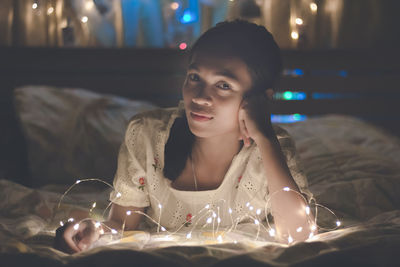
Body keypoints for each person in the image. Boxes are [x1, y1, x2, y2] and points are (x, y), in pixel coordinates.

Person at [54, 19, 315, 254]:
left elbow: (298, 235)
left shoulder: (272, 149)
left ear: (259, 99)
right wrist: (94, 230)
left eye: (223, 85)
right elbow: (121, 225)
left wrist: (266, 138)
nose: (200, 96)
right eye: (194, 77)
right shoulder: (146, 135)